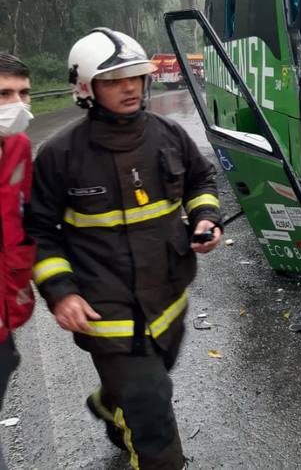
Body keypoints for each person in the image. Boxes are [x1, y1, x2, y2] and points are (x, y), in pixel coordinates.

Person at [27, 29, 222, 470]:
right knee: (153, 413)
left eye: (134, 76)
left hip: (168, 296)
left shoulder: (169, 135)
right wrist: (61, 292)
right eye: (114, 79)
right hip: (104, 305)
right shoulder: (61, 155)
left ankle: (112, 403)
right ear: (86, 87)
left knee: (147, 384)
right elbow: (38, 230)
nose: (130, 86)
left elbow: (200, 182)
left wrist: (207, 218)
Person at [0, 54, 37, 470]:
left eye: (23, 93)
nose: (17, 106)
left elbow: (26, 218)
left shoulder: (19, 146)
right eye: (4, 94)